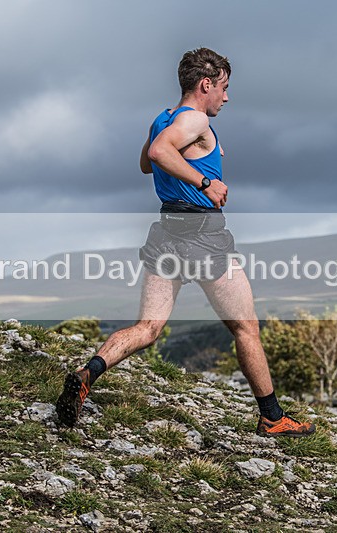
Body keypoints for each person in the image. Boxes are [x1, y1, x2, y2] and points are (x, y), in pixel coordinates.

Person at [56, 47, 315, 438]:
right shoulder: (194, 119)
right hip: (205, 238)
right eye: (223, 88)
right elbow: (160, 153)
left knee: (147, 327)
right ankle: (272, 417)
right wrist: (205, 182)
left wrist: (188, 157)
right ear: (205, 84)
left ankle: (88, 373)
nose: (226, 98)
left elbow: (147, 162)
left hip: (166, 235)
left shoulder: (165, 118)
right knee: (246, 329)